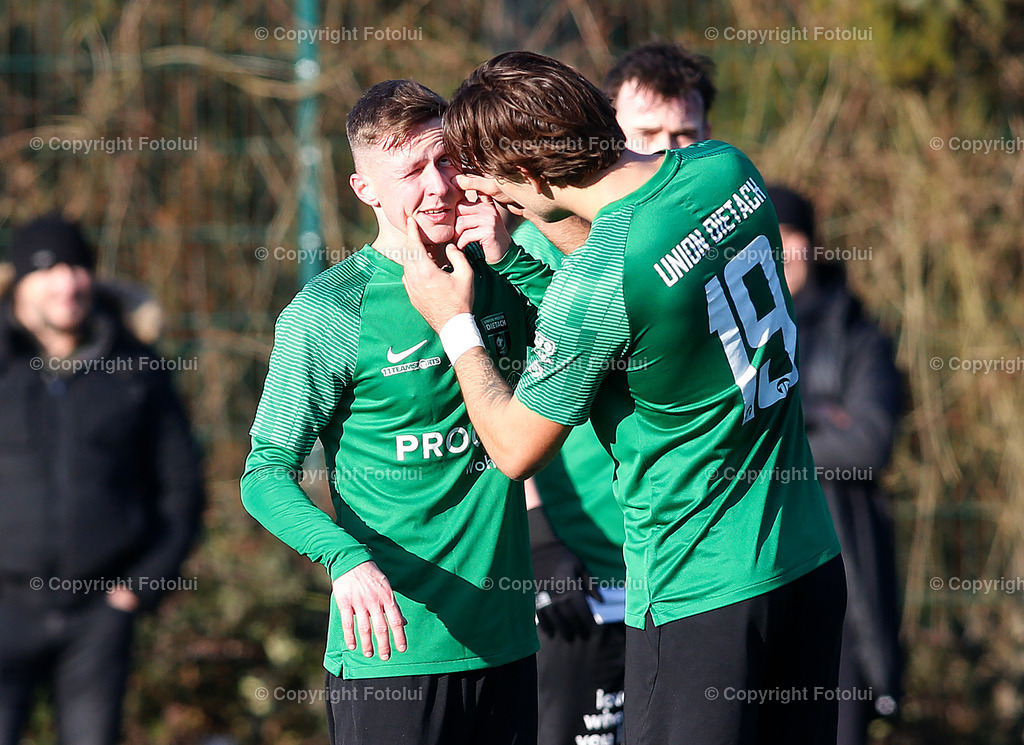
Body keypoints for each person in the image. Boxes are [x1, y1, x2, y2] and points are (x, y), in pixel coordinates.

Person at [401, 51, 846, 745]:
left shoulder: (599, 282)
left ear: (532, 173)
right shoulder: (724, 167)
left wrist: (454, 325)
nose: (500, 205)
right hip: (808, 563)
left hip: (699, 594)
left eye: (501, 190)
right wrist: (518, 258)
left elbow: (514, 447)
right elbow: (639, 317)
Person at [239, 80, 539, 745]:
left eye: (448, 159)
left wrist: (512, 258)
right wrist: (343, 556)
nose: (438, 185)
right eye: (411, 171)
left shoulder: (504, 273)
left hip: (509, 640)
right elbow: (264, 470)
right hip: (394, 652)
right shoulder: (330, 313)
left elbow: (594, 353)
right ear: (365, 189)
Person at [512, 41, 717, 745]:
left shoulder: (711, 223)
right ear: (608, 134)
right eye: (647, 134)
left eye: (684, 134)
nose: (667, 149)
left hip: (692, 565)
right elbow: (496, 414)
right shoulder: (534, 252)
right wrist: (540, 539)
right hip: (585, 572)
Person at [0, 214, 205, 745]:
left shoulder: (137, 369)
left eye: (78, 267)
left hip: (100, 612)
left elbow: (182, 488)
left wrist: (139, 588)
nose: (68, 282)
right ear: (20, 282)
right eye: (49, 270)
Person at [768, 185, 904, 745]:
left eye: (792, 242)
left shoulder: (857, 335)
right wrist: (822, 416)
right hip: (753, 572)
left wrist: (773, 439)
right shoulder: (726, 333)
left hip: (838, 578)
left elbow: (870, 444)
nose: (781, 257)